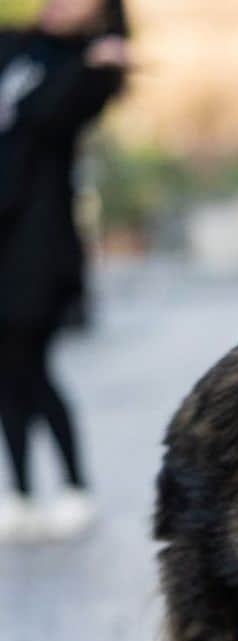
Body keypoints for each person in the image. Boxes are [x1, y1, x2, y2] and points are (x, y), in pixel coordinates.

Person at [0, 0, 129, 543]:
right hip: (2, 238)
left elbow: (51, 115)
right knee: (9, 369)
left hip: (40, 243)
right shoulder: (15, 47)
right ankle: (24, 492)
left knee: (28, 362)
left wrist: (93, 63)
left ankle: (73, 486)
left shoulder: (88, 70)